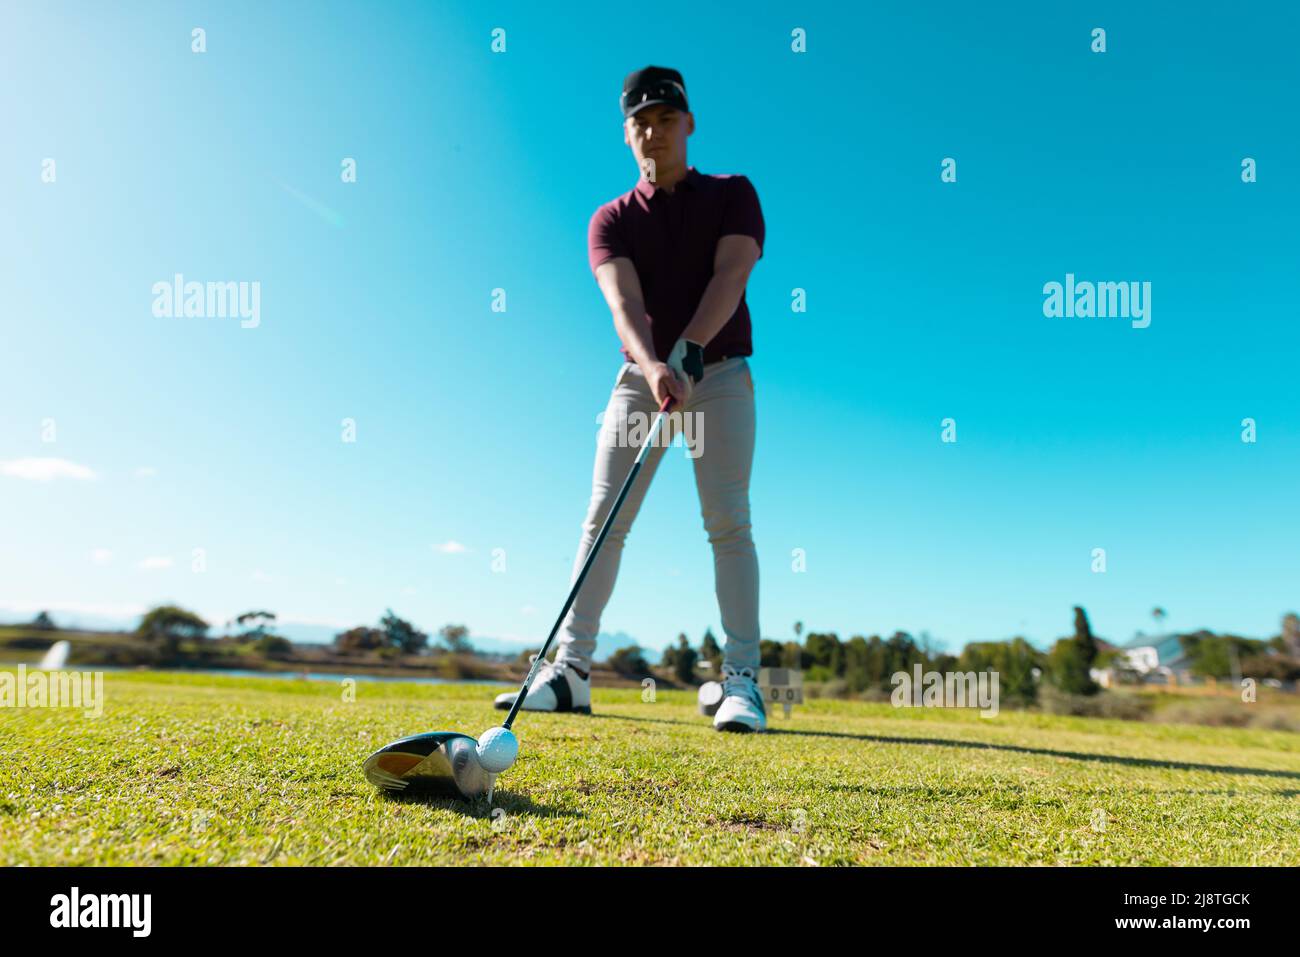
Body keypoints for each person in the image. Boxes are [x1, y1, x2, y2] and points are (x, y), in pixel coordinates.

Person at [494, 66, 767, 731]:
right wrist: (653, 365)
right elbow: (623, 303)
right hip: (642, 379)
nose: (654, 132)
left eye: (666, 119)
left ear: (688, 124)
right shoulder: (609, 219)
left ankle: (741, 681)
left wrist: (690, 351)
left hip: (720, 373)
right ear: (626, 134)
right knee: (603, 517)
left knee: (727, 521)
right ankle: (572, 672)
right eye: (641, 122)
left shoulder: (734, 193)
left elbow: (732, 273)